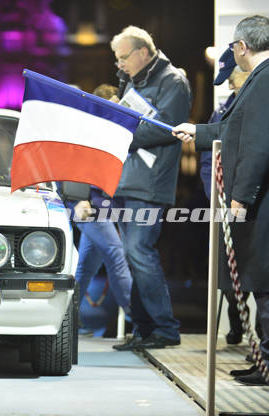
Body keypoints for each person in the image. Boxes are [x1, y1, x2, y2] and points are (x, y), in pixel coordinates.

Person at [173, 15, 269, 386]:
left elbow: (257, 145)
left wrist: (240, 198)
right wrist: (197, 131)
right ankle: (263, 360)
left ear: (242, 46)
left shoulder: (263, 80)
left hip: (259, 203)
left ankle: (267, 364)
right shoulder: (260, 79)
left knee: (264, 284)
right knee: (260, 283)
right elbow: (233, 130)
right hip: (258, 202)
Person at [109, 26, 191, 351]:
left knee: (139, 251)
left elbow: (167, 128)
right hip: (129, 180)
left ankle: (165, 328)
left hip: (151, 183)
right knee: (134, 255)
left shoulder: (173, 81)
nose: (120, 65)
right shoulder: (134, 80)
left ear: (143, 52)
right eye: (117, 60)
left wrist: (122, 132)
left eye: (123, 58)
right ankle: (144, 329)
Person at [200, 53, 260, 346]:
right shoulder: (223, 111)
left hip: (250, 200)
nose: (231, 90)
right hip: (227, 200)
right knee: (230, 269)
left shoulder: (257, 105)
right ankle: (238, 326)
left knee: (257, 272)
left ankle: (259, 341)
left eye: (234, 84)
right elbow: (209, 159)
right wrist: (214, 194)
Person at [68, 84, 132, 333]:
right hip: (89, 204)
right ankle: (138, 319)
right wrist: (79, 198)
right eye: (114, 104)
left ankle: (68, 318)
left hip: (100, 203)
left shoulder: (110, 129)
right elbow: (75, 165)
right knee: (116, 256)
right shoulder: (87, 129)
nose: (119, 108)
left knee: (87, 266)